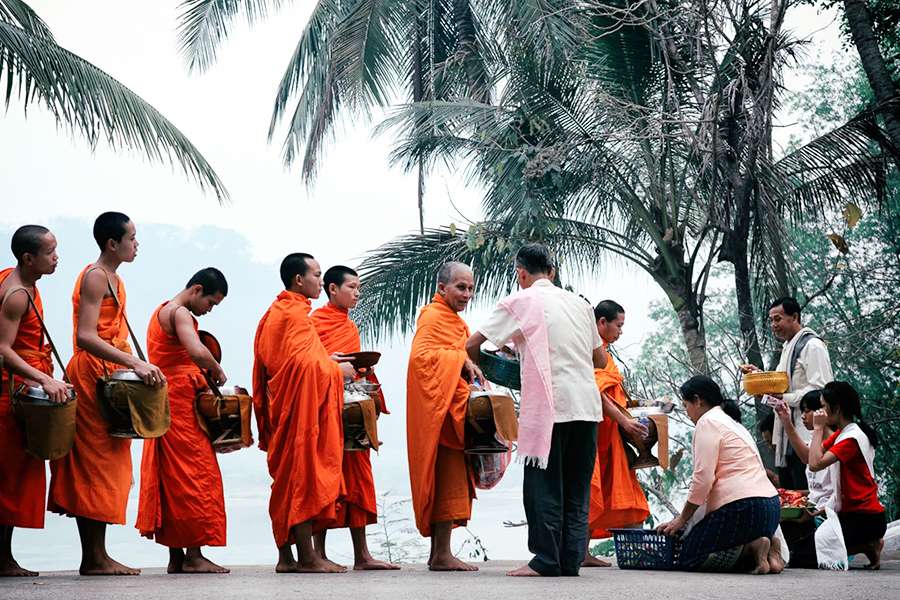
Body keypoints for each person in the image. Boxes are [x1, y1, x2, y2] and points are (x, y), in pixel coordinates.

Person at [466, 244, 608, 577]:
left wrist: (491, 365)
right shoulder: (580, 304)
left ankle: (545, 560)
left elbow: (472, 345)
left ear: (521, 273)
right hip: (586, 405)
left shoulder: (520, 301)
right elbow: (599, 360)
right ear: (553, 272)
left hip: (549, 407)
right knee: (576, 486)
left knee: (543, 485)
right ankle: (569, 560)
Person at [48, 212, 166, 576]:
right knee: (94, 464)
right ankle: (94, 558)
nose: (136, 244)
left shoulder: (115, 278)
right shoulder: (96, 277)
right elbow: (86, 336)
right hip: (90, 375)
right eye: (131, 237)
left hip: (110, 376)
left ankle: (98, 555)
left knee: (111, 463)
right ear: (112, 243)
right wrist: (136, 362)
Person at [252, 253, 355, 573]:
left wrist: (329, 361)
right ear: (299, 280)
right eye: (316, 275)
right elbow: (302, 367)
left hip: (288, 406)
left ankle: (287, 557)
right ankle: (307, 558)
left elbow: (300, 360)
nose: (320, 282)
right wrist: (340, 373)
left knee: (288, 480)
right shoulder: (293, 314)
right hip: (297, 410)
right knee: (299, 478)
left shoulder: (280, 311)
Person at [135, 268, 230, 574]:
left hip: (164, 401)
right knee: (195, 474)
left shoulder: (160, 311)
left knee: (173, 477)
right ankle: (194, 554)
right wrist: (215, 368)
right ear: (196, 289)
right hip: (180, 403)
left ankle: (177, 557)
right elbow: (196, 350)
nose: (209, 310)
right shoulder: (180, 314)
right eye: (211, 303)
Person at [309, 265, 398, 571]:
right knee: (327, 480)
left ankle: (362, 555)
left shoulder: (349, 327)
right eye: (351, 287)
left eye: (359, 288)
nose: (357, 293)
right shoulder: (314, 323)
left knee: (359, 480)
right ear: (332, 289)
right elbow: (312, 366)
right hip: (327, 409)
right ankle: (317, 554)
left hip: (354, 408)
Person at [0, 226, 71, 577]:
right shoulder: (14, 293)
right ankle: (2, 560)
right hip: (10, 392)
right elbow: (2, 349)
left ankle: (4, 558)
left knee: (13, 477)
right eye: (50, 252)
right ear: (29, 258)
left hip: (20, 385)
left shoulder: (22, 284)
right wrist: (43, 378)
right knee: (9, 479)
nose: (56, 257)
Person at [658, 376, 782, 574]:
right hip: (771, 509)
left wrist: (682, 520)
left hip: (743, 508)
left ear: (698, 400)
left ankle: (753, 550)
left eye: (686, 405)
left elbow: (703, 480)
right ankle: (769, 553)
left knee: (690, 557)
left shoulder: (707, 422)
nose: (687, 413)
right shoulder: (734, 424)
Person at [407, 261, 482, 572]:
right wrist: (459, 360)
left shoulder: (452, 320)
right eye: (460, 287)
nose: (467, 294)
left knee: (452, 479)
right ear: (442, 288)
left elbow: (460, 353)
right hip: (439, 412)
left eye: (470, 288)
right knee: (445, 478)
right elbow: (421, 359)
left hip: (452, 405)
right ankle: (441, 554)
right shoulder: (433, 316)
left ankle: (441, 552)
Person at [583, 300, 649, 568]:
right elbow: (594, 392)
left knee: (618, 488)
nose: (620, 331)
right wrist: (624, 420)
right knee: (593, 486)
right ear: (602, 323)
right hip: (599, 431)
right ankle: (582, 552)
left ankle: (637, 551)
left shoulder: (606, 353)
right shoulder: (593, 351)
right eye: (618, 326)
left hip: (611, 434)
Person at [749, 297, 833, 490]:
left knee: (808, 500)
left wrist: (783, 398)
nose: (773, 325)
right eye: (771, 321)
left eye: (777, 319)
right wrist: (759, 379)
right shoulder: (788, 347)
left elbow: (821, 392)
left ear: (794, 317)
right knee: (791, 502)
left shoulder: (812, 346)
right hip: (787, 439)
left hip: (808, 436)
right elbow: (782, 386)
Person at [807, 381, 885, 569]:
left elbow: (815, 464)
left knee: (811, 556)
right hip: (852, 514)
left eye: (824, 406)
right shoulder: (843, 433)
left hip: (865, 518)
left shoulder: (851, 439)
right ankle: (866, 545)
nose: (822, 411)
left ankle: (868, 544)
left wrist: (818, 429)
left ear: (837, 408)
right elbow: (813, 455)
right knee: (806, 548)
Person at [774, 390, 836, 568]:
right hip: (811, 509)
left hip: (825, 515)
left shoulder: (838, 444)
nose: (803, 416)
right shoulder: (815, 443)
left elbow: (837, 493)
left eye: (807, 410)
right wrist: (786, 421)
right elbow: (807, 458)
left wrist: (814, 513)